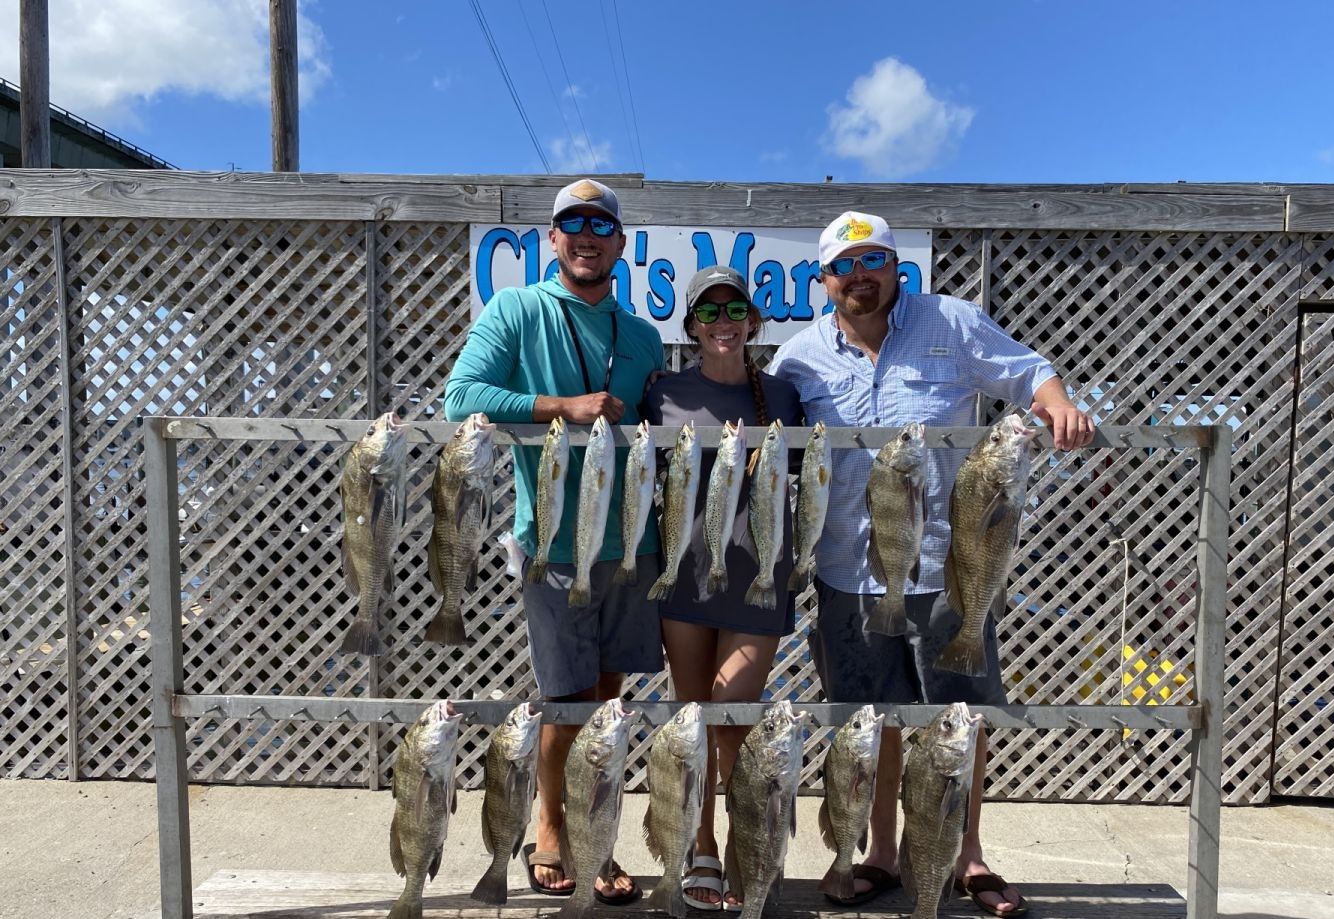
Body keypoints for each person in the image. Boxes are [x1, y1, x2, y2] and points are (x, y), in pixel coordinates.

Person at [768, 211, 1094, 917]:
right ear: (823, 279)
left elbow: (1028, 373)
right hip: (847, 571)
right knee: (872, 719)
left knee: (960, 717)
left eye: (873, 260)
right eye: (845, 265)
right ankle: (883, 852)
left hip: (951, 565)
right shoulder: (797, 358)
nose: (860, 276)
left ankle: (966, 853)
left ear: (896, 266)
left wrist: (1060, 405)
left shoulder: (953, 321)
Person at [443, 178, 663, 906]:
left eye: (601, 225)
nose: (587, 236)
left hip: (632, 544)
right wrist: (561, 406)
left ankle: (593, 834)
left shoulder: (643, 336)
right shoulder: (516, 309)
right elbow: (461, 397)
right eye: (574, 223)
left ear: (620, 243)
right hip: (551, 546)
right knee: (563, 697)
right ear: (553, 238)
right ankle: (548, 828)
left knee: (606, 700)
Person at [640, 266, 804, 911]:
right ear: (691, 326)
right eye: (707, 313)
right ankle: (700, 845)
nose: (722, 323)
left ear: (753, 321)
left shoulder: (784, 396)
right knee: (692, 717)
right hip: (683, 576)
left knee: (734, 715)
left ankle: (748, 845)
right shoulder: (663, 393)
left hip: (758, 577)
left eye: (734, 310)